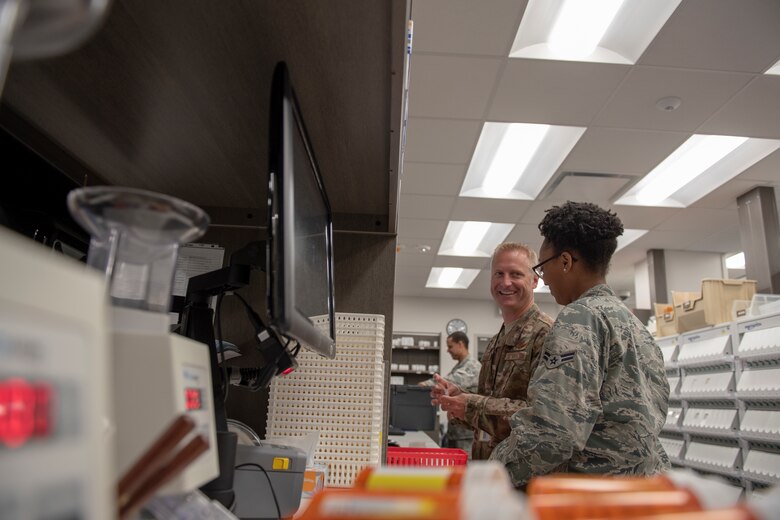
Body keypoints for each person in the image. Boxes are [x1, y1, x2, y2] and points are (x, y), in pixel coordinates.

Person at [490, 201, 670, 488]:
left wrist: (492, 473)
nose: (545, 278)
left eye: (542, 267)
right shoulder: (634, 324)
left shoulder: (579, 318)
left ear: (565, 261)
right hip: (641, 490)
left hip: (590, 496)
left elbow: (553, 432)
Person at [432, 243, 554, 460]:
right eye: (499, 273)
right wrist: (457, 400)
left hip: (523, 476)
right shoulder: (497, 341)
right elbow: (491, 412)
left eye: (515, 274)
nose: (505, 282)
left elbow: (540, 417)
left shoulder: (546, 334)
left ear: (534, 280)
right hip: (490, 468)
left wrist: (470, 404)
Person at [419, 331, 481, 457]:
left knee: (463, 468)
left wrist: (424, 385)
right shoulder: (460, 366)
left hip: (466, 431)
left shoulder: (472, 366)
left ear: (460, 344)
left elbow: (448, 382)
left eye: (450, 346)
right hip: (457, 429)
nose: (448, 350)